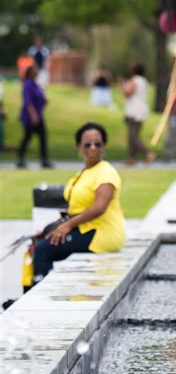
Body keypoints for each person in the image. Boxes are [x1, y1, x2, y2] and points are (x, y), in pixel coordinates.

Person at [32, 122, 126, 284]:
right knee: (43, 240)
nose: (93, 148)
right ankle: (31, 293)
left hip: (102, 233)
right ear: (78, 146)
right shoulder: (83, 173)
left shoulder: (106, 172)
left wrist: (67, 226)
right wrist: (53, 227)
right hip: (85, 228)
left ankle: (35, 297)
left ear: (104, 146)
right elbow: (74, 209)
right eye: (87, 144)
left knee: (43, 250)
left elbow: (99, 208)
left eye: (98, 144)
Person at [17, 65, 51, 168]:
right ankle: (20, 159)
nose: (37, 72)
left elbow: (41, 98)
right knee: (27, 137)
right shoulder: (28, 84)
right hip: (30, 116)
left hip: (38, 115)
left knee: (43, 137)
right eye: (35, 71)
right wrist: (33, 115)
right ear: (30, 72)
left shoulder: (36, 84)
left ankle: (44, 160)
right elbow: (28, 102)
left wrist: (44, 102)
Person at [121, 63, 155, 165]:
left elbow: (127, 93)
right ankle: (132, 158)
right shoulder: (144, 81)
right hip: (141, 110)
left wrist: (122, 84)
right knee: (132, 136)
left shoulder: (135, 80)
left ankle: (148, 153)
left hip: (134, 111)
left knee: (133, 136)